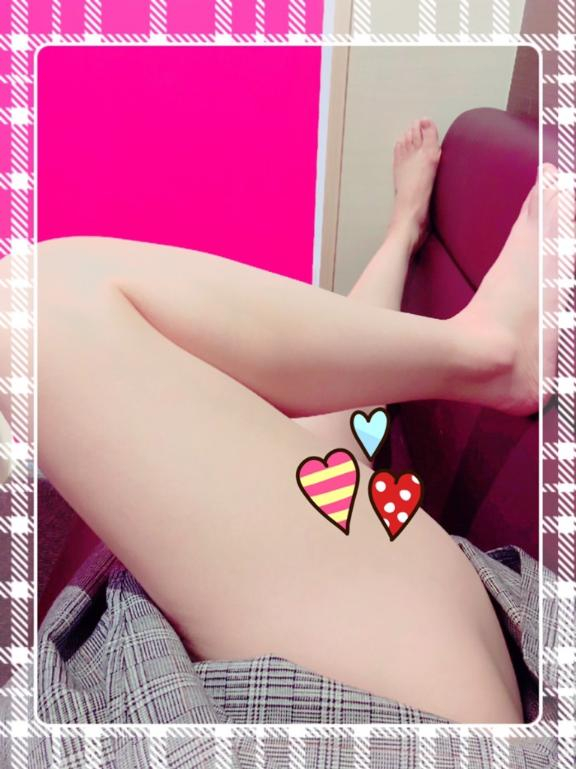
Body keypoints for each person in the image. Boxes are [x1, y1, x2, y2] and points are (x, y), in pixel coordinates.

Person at [2, 119, 557, 724]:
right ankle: (489, 354)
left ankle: (402, 238)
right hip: (405, 716)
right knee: (29, 310)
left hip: (218, 638)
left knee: (323, 442)